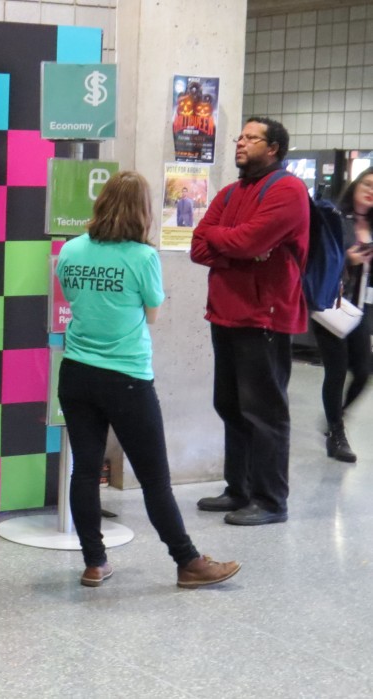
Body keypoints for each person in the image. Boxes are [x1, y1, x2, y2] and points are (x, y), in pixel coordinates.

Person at [57, 170, 240, 589]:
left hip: (76, 373)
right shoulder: (142, 258)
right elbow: (152, 314)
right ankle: (188, 562)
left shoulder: (70, 250)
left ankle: (94, 563)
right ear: (142, 211)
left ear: (101, 203)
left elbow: (72, 297)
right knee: (155, 477)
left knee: (85, 471)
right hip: (126, 378)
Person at [190, 117, 310, 525]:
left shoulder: (289, 190)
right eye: (239, 136)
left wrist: (235, 242)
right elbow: (198, 245)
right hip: (225, 313)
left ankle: (271, 501)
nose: (239, 143)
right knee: (230, 406)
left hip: (265, 317)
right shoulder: (230, 192)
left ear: (273, 147)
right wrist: (237, 247)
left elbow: (247, 241)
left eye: (250, 138)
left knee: (264, 412)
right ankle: (238, 489)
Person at [313, 167, 373, 462]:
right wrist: (347, 259)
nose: (370, 190)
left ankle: (337, 416)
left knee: (363, 371)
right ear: (356, 185)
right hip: (332, 305)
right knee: (336, 370)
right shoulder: (336, 216)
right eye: (367, 183)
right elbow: (318, 257)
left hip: (362, 307)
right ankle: (336, 434)